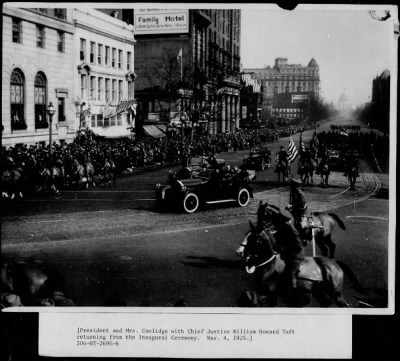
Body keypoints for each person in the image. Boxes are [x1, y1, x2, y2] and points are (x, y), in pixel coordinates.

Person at [275, 208, 305, 290]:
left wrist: (286, 250)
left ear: (287, 221)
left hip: (296, 256)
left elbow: (298, 246)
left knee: (290, 274)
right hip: (289, 255)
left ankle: (294, 293)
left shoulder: (292, 231)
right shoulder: (285, 229)